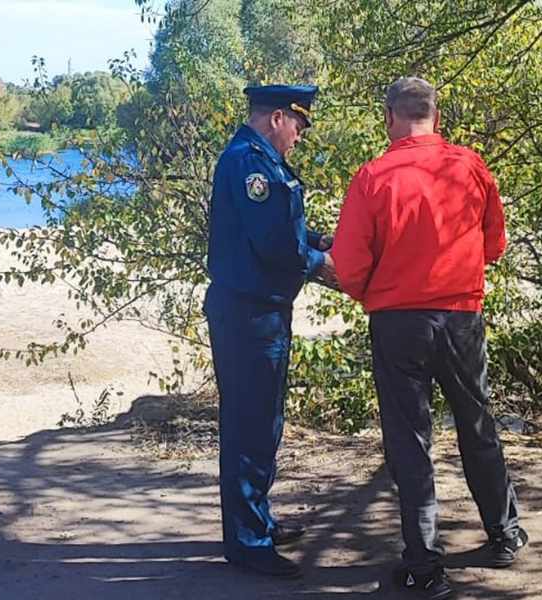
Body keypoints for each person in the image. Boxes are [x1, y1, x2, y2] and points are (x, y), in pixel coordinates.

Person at [331, 77, 527, 600]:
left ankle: (424, 564)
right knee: (477, 422)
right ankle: (504, 534)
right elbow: (495, 244)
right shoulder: (470, 165)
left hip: (399, 323)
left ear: (389, 117)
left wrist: (376, 289)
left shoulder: (372, 177)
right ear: (436, 117)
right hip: (461, 317)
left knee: (411, 440)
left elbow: (350, 266)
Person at [203, 84, 336, 578]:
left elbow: (280, 229)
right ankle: (247, 542)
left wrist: (318, 238)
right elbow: (273, 243)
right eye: (299, 127)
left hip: (261, 310)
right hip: (248, 313)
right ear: (278, 117)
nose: (299, 137)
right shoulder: (250, 162)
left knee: (265, 423)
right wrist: (320, 262)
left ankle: (256, 519)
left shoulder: (258, 158)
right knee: (249, 426)